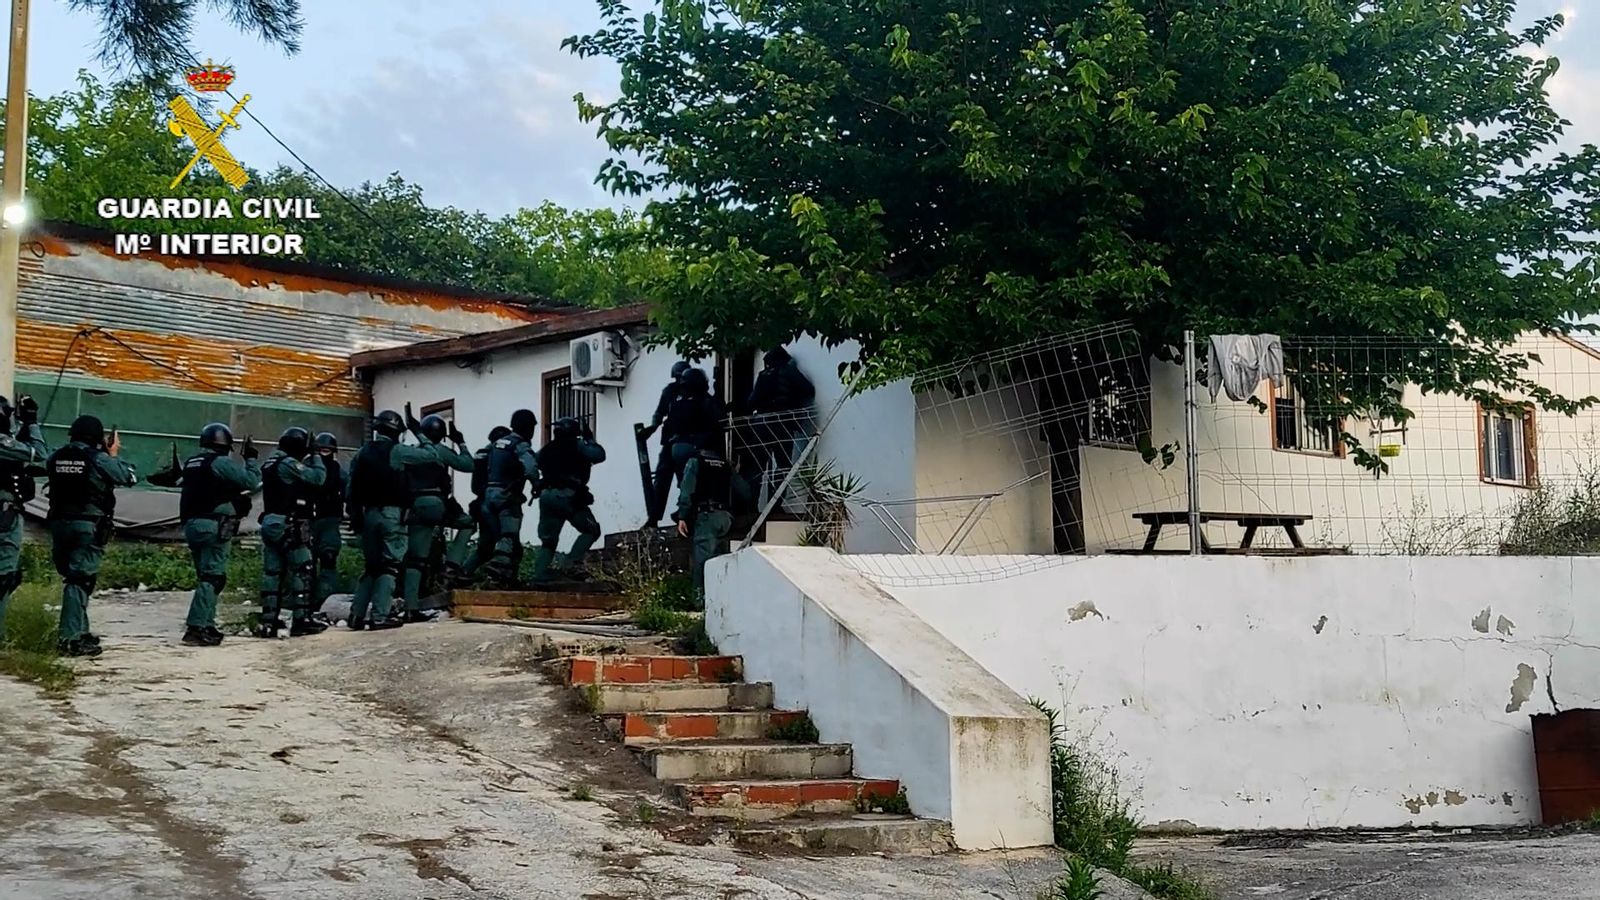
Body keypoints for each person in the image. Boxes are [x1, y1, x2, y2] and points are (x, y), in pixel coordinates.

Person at [347, 409, 464, 629]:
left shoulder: (361, 453)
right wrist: (418, 432)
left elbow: (350, 487)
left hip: (367, 514)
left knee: (371, 567)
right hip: (392, 515)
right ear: (396, 432)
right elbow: (431, 454)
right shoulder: (397, 451)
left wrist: (355, 515)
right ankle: (380, 616)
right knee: (389, 567)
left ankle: (356, 615)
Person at [46, 415, 137, 657]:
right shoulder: (99, 459)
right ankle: (70, 638)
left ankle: (80, 630)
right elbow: (128, 476)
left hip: (58, 523)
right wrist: (112, 453)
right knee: (80, 580)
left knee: (75, 579)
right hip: (87, 526)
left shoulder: (55, 456)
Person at [176, 423, 260, 647]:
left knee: (206, 577)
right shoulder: (220, 462)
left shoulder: (193, 462)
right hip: (212, 525)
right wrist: (251, 458)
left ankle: (207, 624)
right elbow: (251, 481)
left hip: (192, 525)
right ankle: (196, 628)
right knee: (213, 578)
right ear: (225, 445)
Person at [399, 408, 472, 620]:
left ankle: (410, 607)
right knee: (467, 524)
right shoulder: (440, 451)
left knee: (416, 560)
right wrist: (461, 442)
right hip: (438, 504)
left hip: (415, 506)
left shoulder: (410, 451)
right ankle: (452, 566)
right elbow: (468, 465)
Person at [257, 427, 326, 638]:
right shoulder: (288, 464)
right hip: (287, 522)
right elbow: (318, 478)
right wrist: (315, 455)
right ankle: (301, 619)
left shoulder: (269, 463)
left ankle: (268, 621)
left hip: (270, 521)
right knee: (302, 567)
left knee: (272, 572)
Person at [532, 417, 606, 583]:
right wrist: (589, 439)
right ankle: (571, 565)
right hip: (568, 497)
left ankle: (539, 575)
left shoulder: (547, 449)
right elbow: (599, 455)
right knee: (591, 530)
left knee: (548, 541)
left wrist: (536, 482)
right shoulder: (577, 444)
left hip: (546, 497)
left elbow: (531, 464)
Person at [674, 446, 751, 596]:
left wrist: (682, 516)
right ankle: (720, 597)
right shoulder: (725, 464)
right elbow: (745, 492)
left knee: (703, 562)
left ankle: (701, 601)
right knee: (719, 561)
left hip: (707, 516)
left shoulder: (695, 462)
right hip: (725, 518)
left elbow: (686, 491)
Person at [743, 347, 815, 503]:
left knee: (758, 466)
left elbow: (751, 402)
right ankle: (775, 503)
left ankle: (750, 503)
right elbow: (808, 390)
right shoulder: (790, 371)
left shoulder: (763, 376)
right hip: (783, 424)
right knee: (782, 464)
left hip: (762, 424)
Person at [0, 395, 46, 642]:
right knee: (4, 576)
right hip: (4, 513)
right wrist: (31, 422)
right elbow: (38, 453)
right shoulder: (3, 443)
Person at [481, 409, 540, 587]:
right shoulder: (519, 445)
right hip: (507, 496)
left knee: (507, 542)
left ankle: (509, 579)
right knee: (508, 536)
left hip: (488, 495)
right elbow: (530, 468)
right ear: (528, 427)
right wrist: (536, 484)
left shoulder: (495, 444)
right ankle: (498, 571)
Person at [446, 425, 511, 585]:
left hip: (481, 504)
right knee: (507, 542)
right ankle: (503, 579)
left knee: (485, 548)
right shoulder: (501, 455)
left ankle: (462, 575)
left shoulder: (481, 454)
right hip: (498, 506)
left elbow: (475, 486)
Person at [642, 360, 690, 526]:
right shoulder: (669, 391)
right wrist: (652, 428)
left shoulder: (694, 392)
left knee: (686, 479)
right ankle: (654, 516)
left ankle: (684, 513)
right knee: (662, 478)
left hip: (687, 441)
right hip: (670, 441)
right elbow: (659, 412)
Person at [663, 366, 727, 489]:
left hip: (676, 448)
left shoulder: (677, 402)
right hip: (696, 447)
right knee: (713, 474)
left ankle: (684, 505)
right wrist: (718, 393)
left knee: (685, 484)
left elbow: (669, 424)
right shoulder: (704, 400)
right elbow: (719, 418)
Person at [309, 432, 345, 614]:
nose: (325, 452)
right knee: (305, 563)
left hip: (330, 519)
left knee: (328, 558)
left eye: (328, 449)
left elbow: (348, 489)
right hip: (307, 520)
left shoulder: (337, 469)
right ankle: (305, 602)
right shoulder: (307, 466)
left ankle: (324, 602)